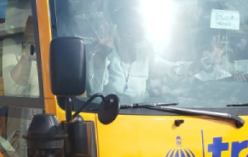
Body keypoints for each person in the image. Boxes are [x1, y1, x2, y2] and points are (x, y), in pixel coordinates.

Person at [88, 7, 234, 98]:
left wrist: (205, 62)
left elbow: (172, 69)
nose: (133, 30)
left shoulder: (144, 56)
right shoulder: (102, 55)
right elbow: (93, 93)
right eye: (128, 25)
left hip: (138, 121)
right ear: (117, 29)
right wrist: (101, 55)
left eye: (137, 25)